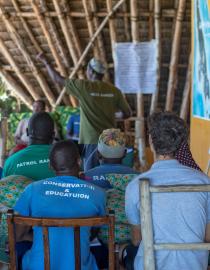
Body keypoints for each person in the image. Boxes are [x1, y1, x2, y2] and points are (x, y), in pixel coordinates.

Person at [125, 111, 210, 270]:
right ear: (183, 142)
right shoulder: (204, 181)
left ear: (151, 141)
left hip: (151, 266)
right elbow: (208, 236)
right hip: (194, 266)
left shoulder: (135, 185)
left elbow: (137, 239)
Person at [14, 140, 106, 270]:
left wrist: (44, 235)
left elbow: (18, 235)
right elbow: (95, 232)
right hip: (81, 267)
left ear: (51, 166)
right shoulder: (98, 193)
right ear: (79, 161)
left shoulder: (32, 189)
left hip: (38, 267)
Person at [37, 53, 132, 171]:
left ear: (90, 71)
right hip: (110, 140)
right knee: (110, 173)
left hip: (91, 140)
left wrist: (45, 61)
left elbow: (58, 79)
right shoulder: (114, 91)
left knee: (91, 174)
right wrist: (110, 113)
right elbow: (127, 113)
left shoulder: (84, 87)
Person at [2, 112, 55, 180]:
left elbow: (4, 188)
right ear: (53, 135)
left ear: (27, 132)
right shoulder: (65, 160)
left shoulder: (11, 162)